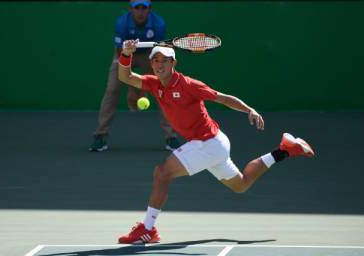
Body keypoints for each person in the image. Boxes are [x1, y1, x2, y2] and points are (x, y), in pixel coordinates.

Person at [116, 40, 315, 244]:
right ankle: (285, 150)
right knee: (241, 184)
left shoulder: (189, 85)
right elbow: (126, 76)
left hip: (208, 143)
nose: (159, 65)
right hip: (214, 144)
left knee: (162, 173)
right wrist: (126, 54)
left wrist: (248, 109)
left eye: (164, 61)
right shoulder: (154, 83)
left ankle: (148, 229)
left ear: (173, 63)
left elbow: (222, 98)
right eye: (155, 60)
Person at [89, 0, 180, 152]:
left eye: (143, 8)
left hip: (150, 56)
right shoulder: (121, 23)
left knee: (165, 90)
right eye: (136, 8)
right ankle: (100, 136)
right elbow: (122, 55)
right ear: (130, 9)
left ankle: (171, 137)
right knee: (112, 90)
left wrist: (143, 91)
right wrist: (131, 89)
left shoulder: (159, 25)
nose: (140, 11)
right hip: (124, 55)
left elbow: (157, 57)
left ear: (149, 9)